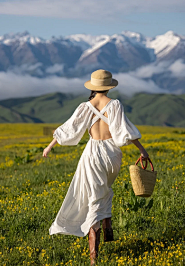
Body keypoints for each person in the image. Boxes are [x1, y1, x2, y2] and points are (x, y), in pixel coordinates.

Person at [42, 69, 149, 265]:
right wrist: (142, 150)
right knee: (103, 191)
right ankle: (108, 231)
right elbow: (125, 130)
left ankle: (93, 257)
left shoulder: (85, 107)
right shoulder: (115, 105)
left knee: (95, 198)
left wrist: (49, 146)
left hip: (92, 155)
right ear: (109, 87)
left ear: (93, 87)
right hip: (112, 155)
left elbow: (69, 128)